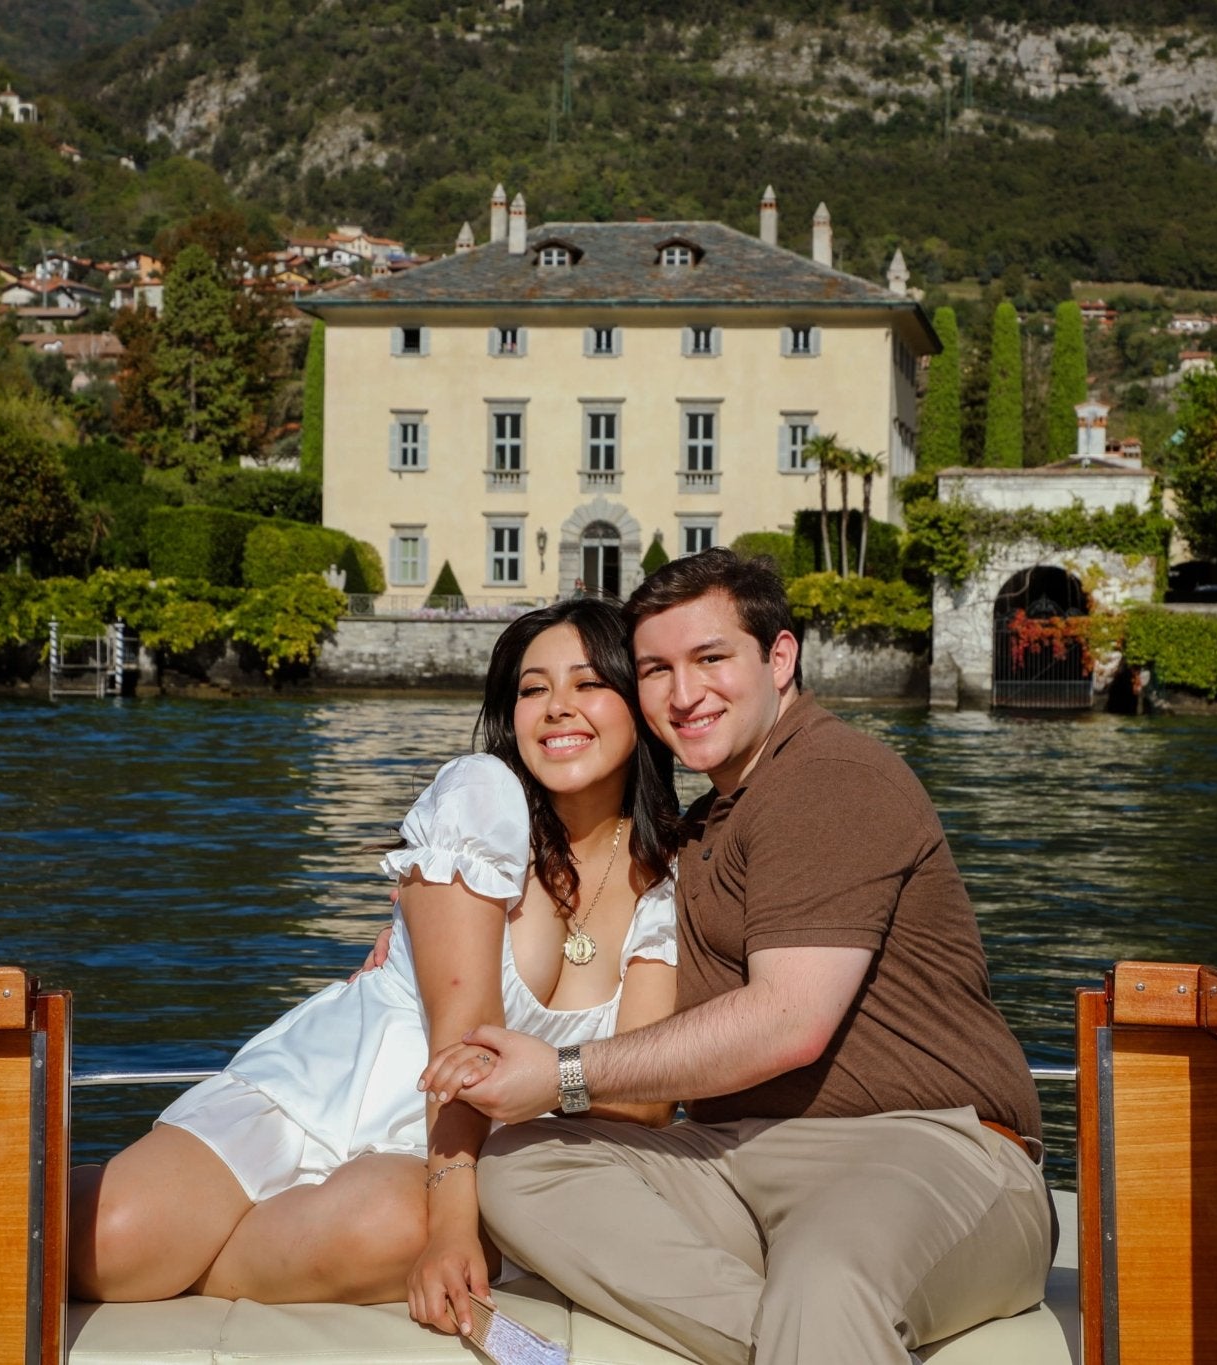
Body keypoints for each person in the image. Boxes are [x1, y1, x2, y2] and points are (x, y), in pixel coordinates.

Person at [419, 548, 1051, 1365]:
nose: (684, 694)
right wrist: (414, 928)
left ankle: (818, 1322)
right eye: (656, 669)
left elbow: (789, 1021)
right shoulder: (705, 826)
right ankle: (808, 1344)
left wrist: (563, 1072)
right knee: (520, 1166)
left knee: (826, 1279)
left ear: (779, 658)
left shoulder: (832, 777)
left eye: (711, 658)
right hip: (738, 1159)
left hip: (928, 1149)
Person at [71, 597, 684, 1336]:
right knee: (118, 1240)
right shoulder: (483, 800)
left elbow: (646, 1100)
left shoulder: (671, 882)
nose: (557, 708)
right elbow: (462, 1039)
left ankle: (198, 1266)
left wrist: (452, 1220)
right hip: (327, 1085)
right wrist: (456, 1224)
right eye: (532, 688)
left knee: (388, 1227)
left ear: (641, 703)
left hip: (467, 1145)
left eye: (588, 684)